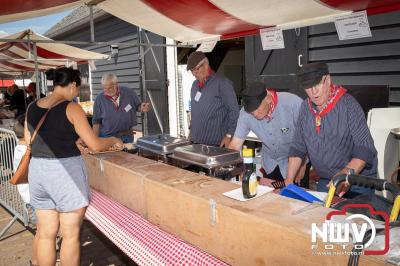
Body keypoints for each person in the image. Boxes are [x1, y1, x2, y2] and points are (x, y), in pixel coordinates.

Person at [25, 67, 123, 266]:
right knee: (70, 235)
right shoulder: (71, 108)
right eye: (77, 89)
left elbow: (29, 141)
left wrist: (70, 141)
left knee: (45, 233)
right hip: (64, 173)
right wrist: (112, 139)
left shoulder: (32, 106)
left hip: (37, 171)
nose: (77, 93)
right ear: (71, 85)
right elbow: (95, 144)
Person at [286, 62, 378, 197]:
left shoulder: (348, 105)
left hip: (356, 182)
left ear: (327, 79)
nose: (314, 91)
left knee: (354, 217)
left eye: (317, 84)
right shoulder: (305, 108)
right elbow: (298, 146)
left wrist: (346, 173)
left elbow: (365, 148)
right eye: (308, 87)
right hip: (326, 181)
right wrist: (289, 179)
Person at [229, 81, 309, 186]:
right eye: (252, 112)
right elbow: (235, 145)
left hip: (295, 162)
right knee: (270, 198)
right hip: (270, 164)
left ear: (268, 99)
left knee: (296, 200)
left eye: (257, 109)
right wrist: (233, 167)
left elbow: (308, 135)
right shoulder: (245, 114)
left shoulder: (293, 103)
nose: (255, 114)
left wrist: (303, 163)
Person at [187, 51, 239, 147]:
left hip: (215, 144)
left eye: (196, 69)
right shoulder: (194, 85)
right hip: (195, 143)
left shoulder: (222, 83)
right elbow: (195, 112)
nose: (194, 74)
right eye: (192, 71)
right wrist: (191, 132)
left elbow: (234, 111)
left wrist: (229, 135)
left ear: (206, 65)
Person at [92, 74, 150, 143]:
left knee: (128, 154)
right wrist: (94, 140)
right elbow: (96, 122)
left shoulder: (129, 93)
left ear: (116, 84)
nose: (107, 91)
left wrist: (142, 108)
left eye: (109, 88)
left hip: (127, 136)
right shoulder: (99, 99)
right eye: (104, 88)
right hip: (108, 138)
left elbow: (138, 106)